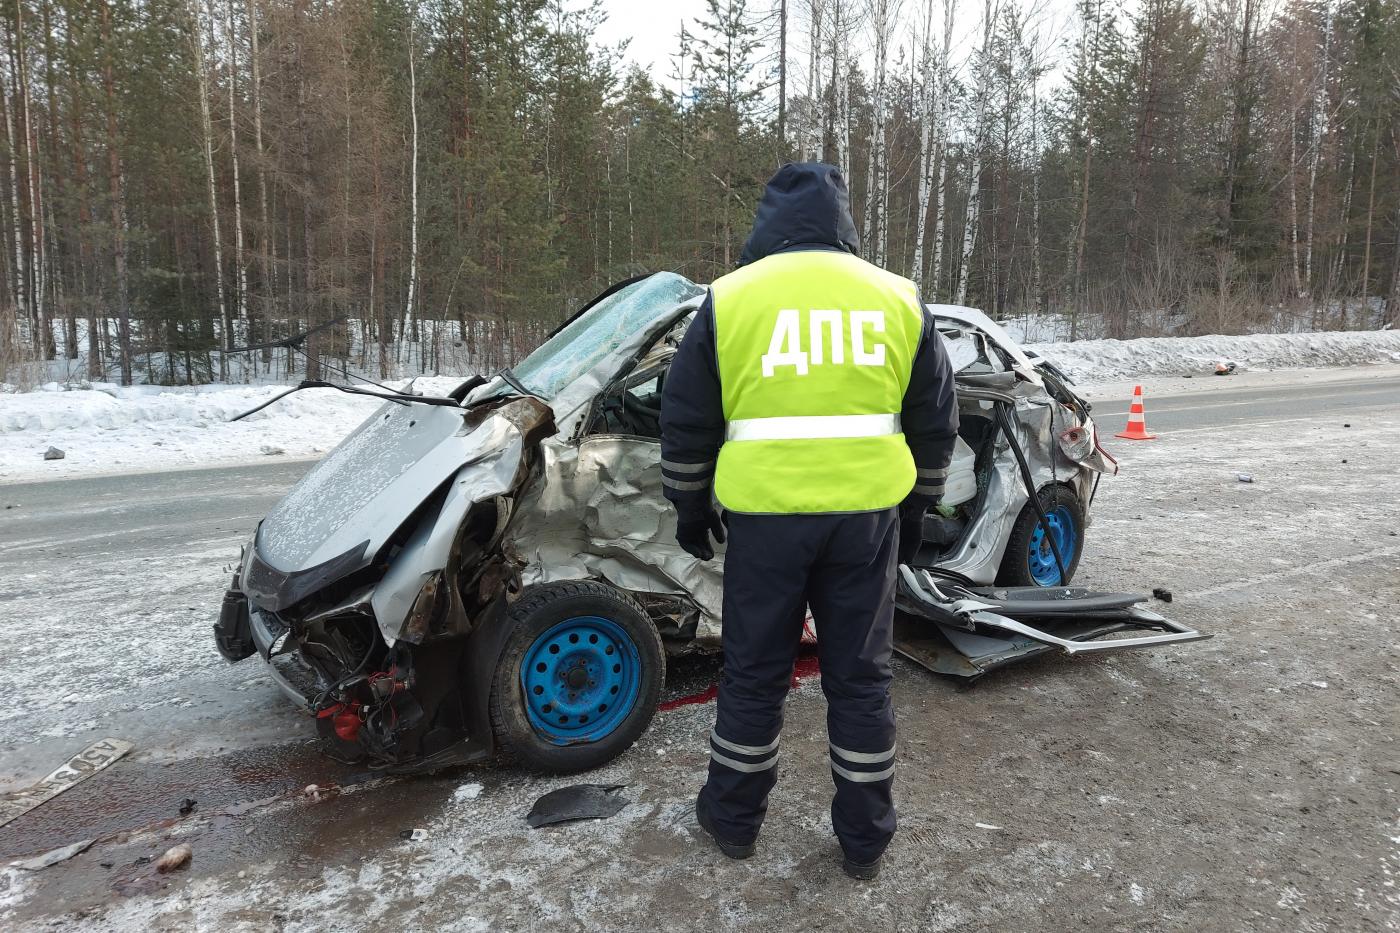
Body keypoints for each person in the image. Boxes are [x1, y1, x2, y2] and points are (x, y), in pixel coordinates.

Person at [659, 162, 960, 880]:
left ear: (766, 224)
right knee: (860, 679)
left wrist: (689, 505)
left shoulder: (730, 300)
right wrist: (917, 510)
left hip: (766, 520)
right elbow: (935, 420)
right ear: (843, 222)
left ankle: (732, 821)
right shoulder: (896, 297)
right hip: (864, 522)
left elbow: (687, 417)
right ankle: (866, 839)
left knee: (755, 675)